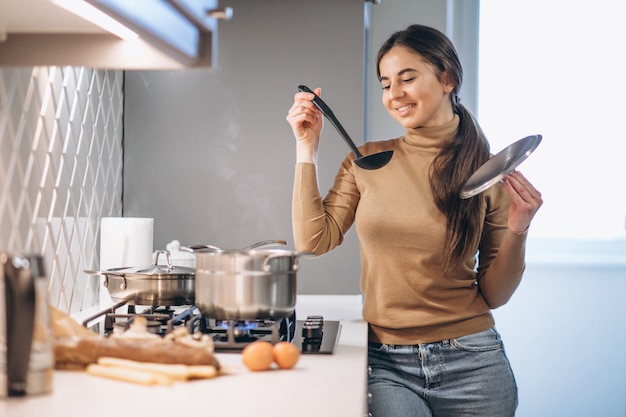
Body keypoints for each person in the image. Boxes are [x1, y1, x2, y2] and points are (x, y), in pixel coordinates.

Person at [286, 24, 542, 417]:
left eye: (407, 78)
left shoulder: (486, 174)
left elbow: (495, 295)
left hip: (474, 361)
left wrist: (519, 229)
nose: (395, 95)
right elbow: (313, 240)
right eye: (386, 84)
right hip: (387, 364)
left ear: (447, 79)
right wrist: (307, 149)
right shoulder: (365, 162)